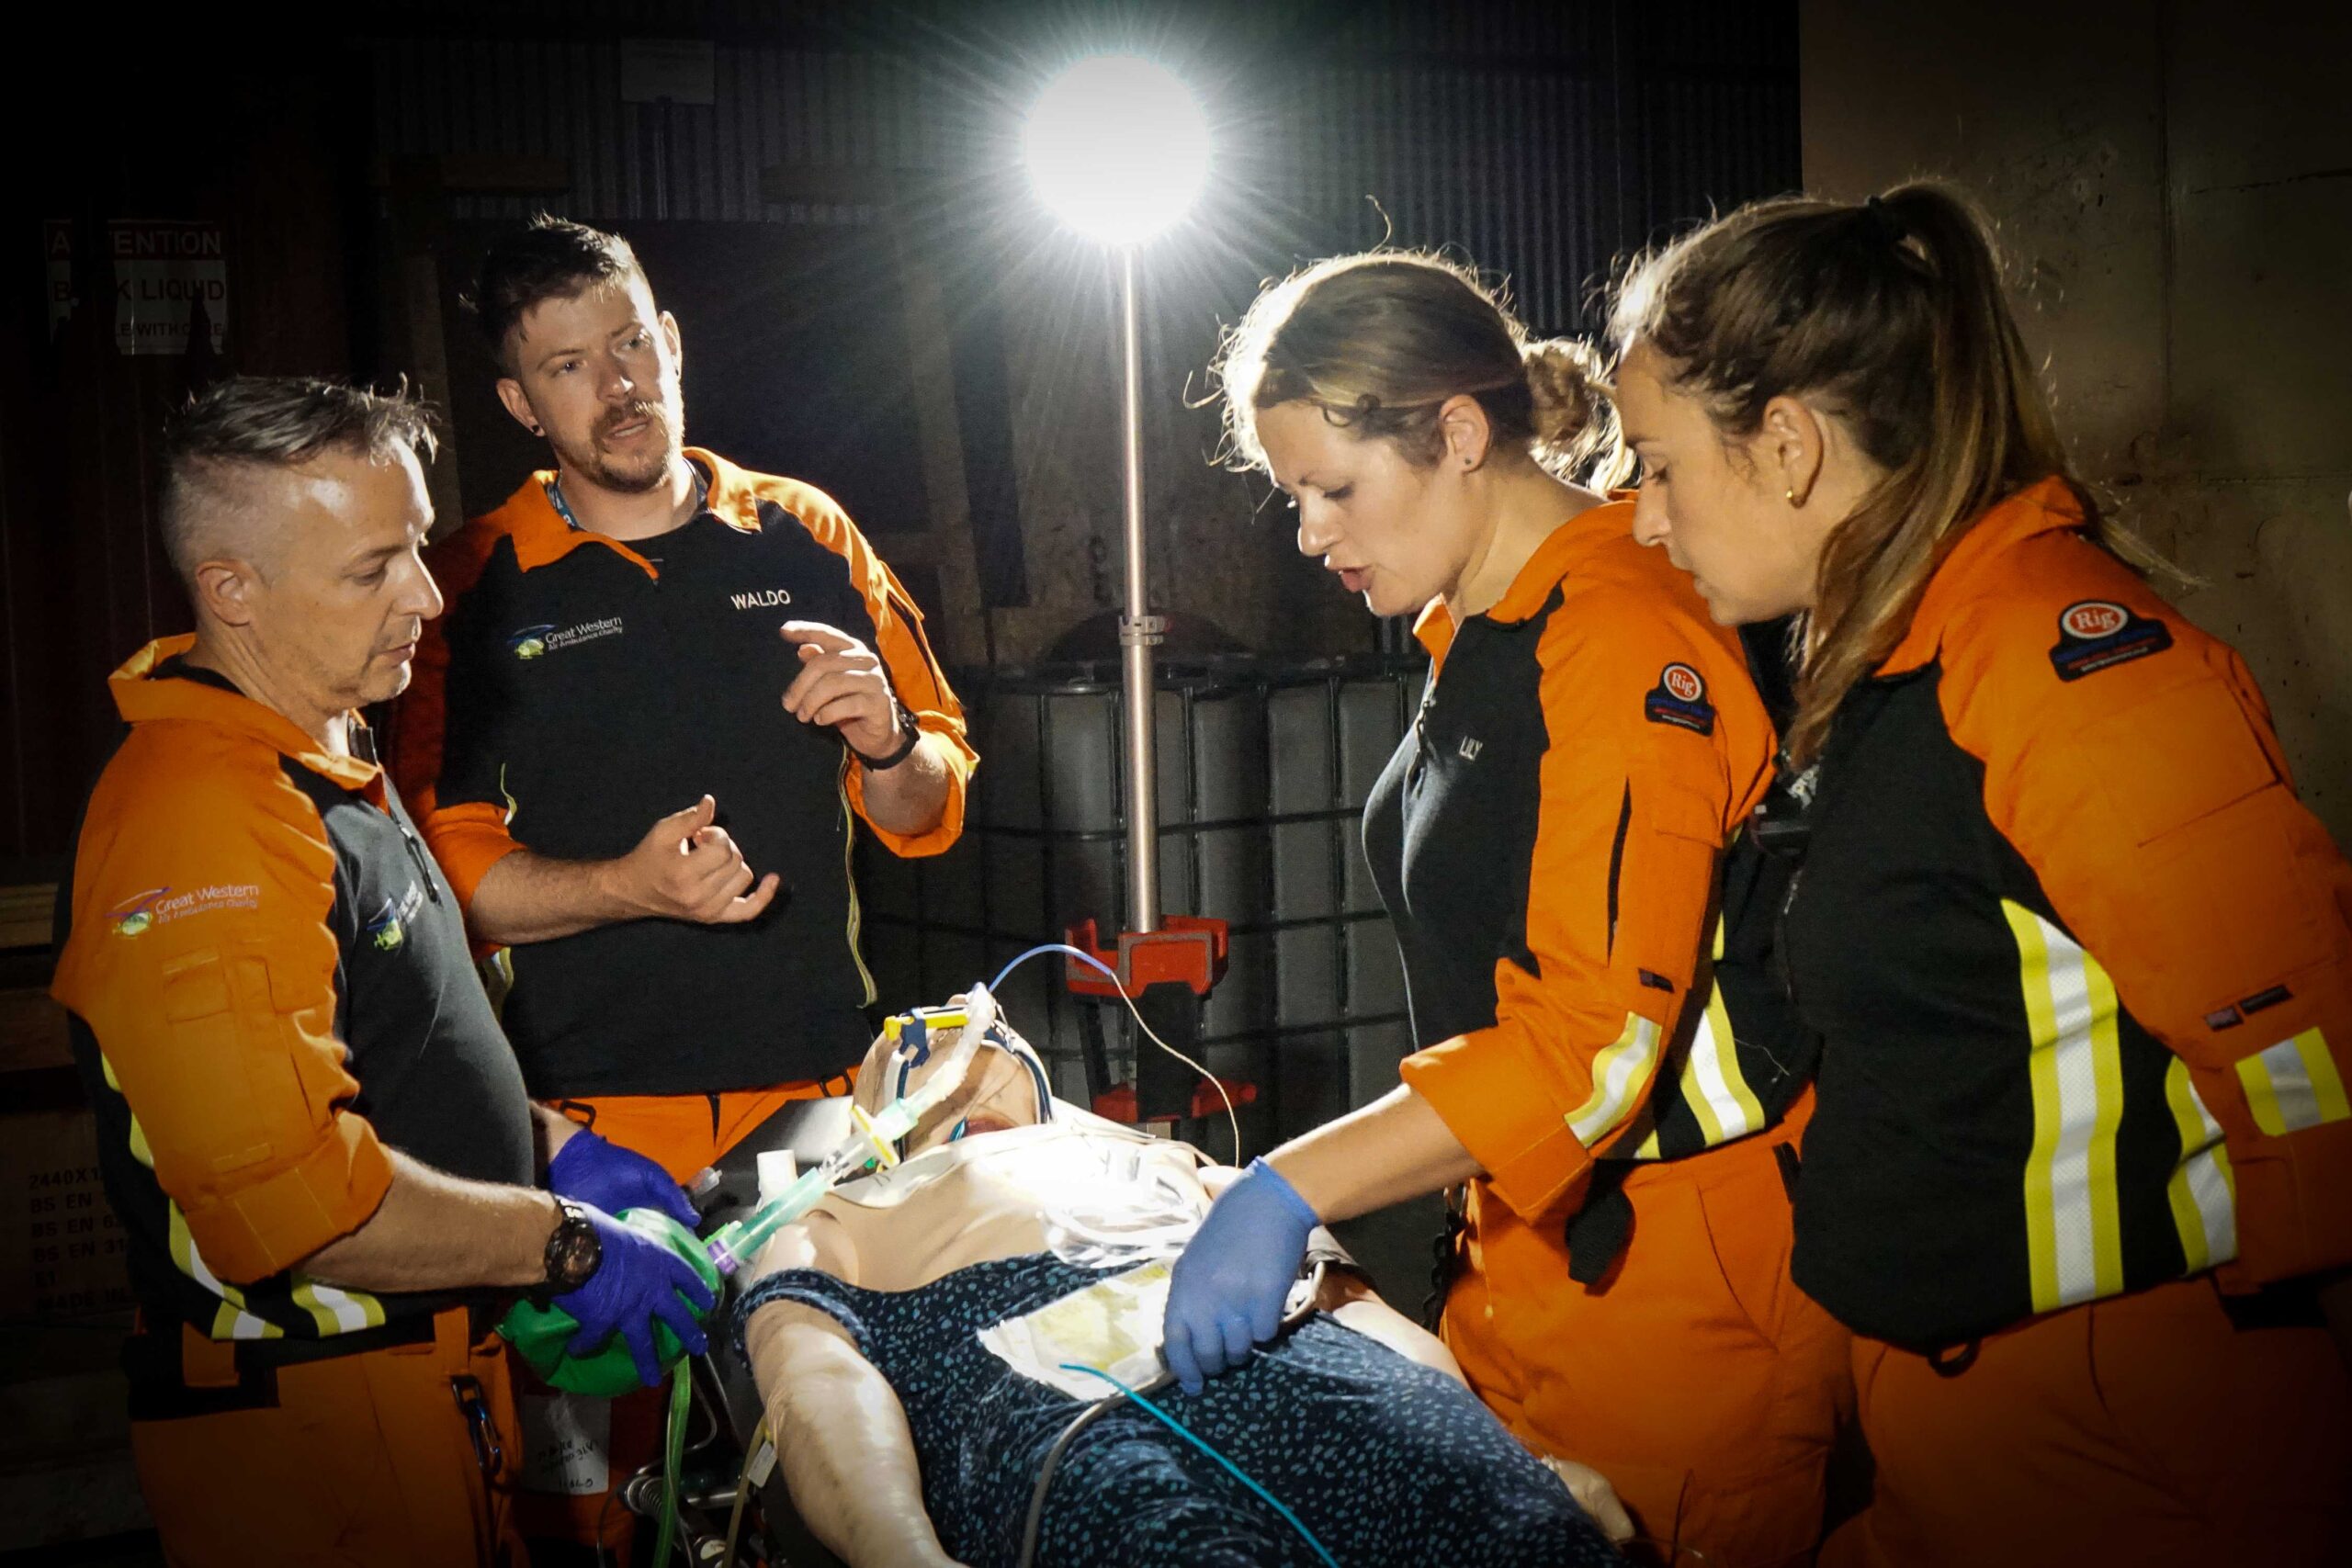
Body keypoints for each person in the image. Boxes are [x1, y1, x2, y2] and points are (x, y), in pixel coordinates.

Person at [1609, 181, 2352, 1566]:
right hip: (1956, 1407)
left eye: (1657, 464)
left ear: (1786, 446)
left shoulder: (2064, 668)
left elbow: (2309, 1053)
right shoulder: (1902, 652)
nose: (1645, 518)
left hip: (2113, 1422)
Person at [1159, 253, 1848, 1565]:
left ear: (1461, 434)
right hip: (1529, 1246)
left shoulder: (1621, 636)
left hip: (1675, 1289)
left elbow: (1592, 1048)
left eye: (1333, 489)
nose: (1309, 534)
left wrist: (1289, 1184)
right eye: (1294, 495)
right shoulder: (1481, 623)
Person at [48, 377, 719, 1568]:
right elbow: (298, 1210)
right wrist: (563, 1241)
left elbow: (390, 1050)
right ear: (232, 589)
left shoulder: (317, 743)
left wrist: (550, 1146)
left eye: (416, 544)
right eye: (373, 568)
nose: (425, 593)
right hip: (315, 1428)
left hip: (405, 1385)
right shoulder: (204, 821)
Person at [392, 214, 976, 1180]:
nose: (617, 387)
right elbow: (442, 869)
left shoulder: (810, 534)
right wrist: (628, 887)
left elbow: (930, 807)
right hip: (584, 1123)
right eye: (569, 366)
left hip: (823, 1095)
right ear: (521, 402)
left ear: (669, 341)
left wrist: (889, 744)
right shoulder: (467, 584)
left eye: (629, 344)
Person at [731, 1010, 1634, 1568]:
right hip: (1063, 1411)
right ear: (869, 1124)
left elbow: (1351, 1306)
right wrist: (897, 1545)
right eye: (915, 1042)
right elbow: (814, 1376)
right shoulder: (841, 1212)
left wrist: (1511, 1455)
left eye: (989, 1039)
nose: (959, 1041)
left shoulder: (1176, 1165)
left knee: (1512, 1529)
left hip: (1298, 1351)